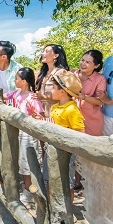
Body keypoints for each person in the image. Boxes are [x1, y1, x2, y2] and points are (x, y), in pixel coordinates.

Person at [4, 67, 44, 203]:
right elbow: (4, 96)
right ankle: (27, 188)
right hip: (19, 132)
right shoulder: (16, 93)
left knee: (29, 162)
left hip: (28, 134)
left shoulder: (32, 98)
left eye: (17, 78)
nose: (15, 80)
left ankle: (30, 191)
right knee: (22, 161)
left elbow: (40, 115)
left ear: (24, 81)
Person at [48, 68, 85, 202]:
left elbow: (80, 132)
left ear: (62, 91)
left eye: (53, 88)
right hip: (53, 148)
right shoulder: (55, 107)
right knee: (52, 177)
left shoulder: (72, 110)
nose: (50, 91)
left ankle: (68, 208)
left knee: (67, 180)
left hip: (66, 151)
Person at [72, 49, 106, 191]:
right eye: (82, 60)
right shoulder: (73, 75)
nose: (83, 64)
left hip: (91, 120)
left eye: (88, 62)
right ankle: (77, 182)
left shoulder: (100, 79)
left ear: (96, 65)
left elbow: (100, 101)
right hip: (72, 119)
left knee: (90, 152)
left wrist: (83, 97)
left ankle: (93, 183)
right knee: (75, 151)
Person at [34, 44, 70, 119]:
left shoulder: (61, 73)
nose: (42, 54)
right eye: (43, 51)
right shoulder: (41, 73)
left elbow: (65, 96)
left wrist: (43, 97)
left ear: (56, 56)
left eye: (46, 51)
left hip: (56, 115)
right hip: (41, 114)